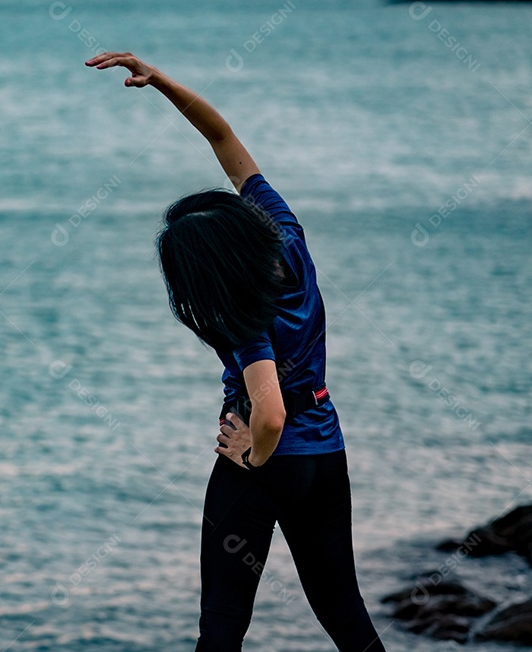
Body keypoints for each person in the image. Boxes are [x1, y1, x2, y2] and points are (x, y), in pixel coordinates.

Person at [86, 52, 387, 652]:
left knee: (222, 625)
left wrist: (254, 456)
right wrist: (164, 83)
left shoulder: (239, 311)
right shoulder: (287, 236)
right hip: (326, 452)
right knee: (343, 611)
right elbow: (223, 138)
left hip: (266, 461)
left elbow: (269, 409)